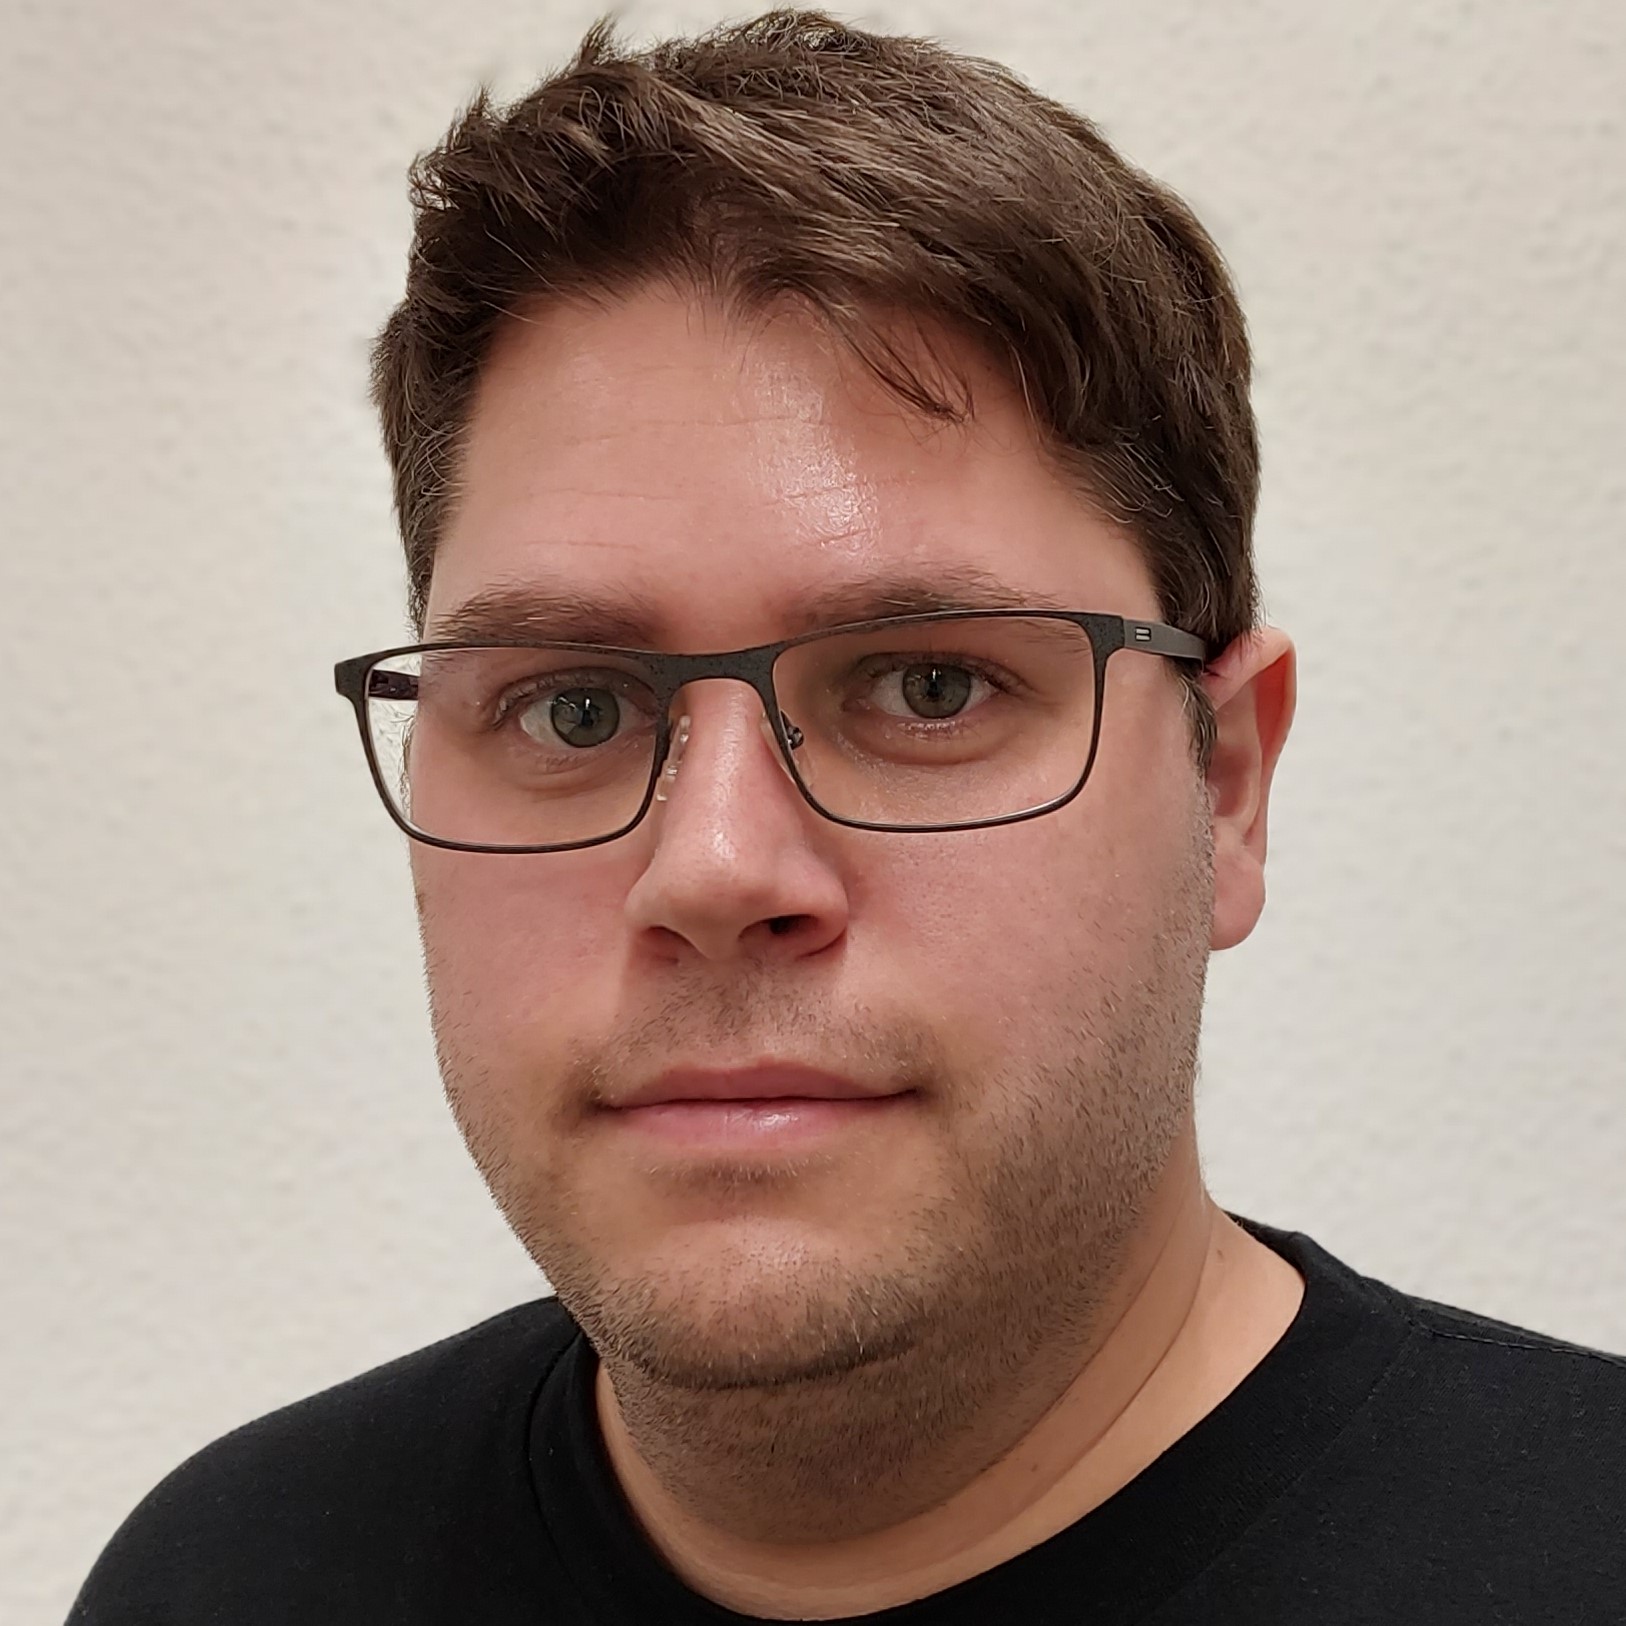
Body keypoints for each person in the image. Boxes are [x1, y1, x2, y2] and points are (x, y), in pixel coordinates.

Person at [68, 11, 1624, 1623]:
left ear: (1222, 785)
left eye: (930, 687)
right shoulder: (224, 1579)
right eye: (572, 707)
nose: (715, 867)